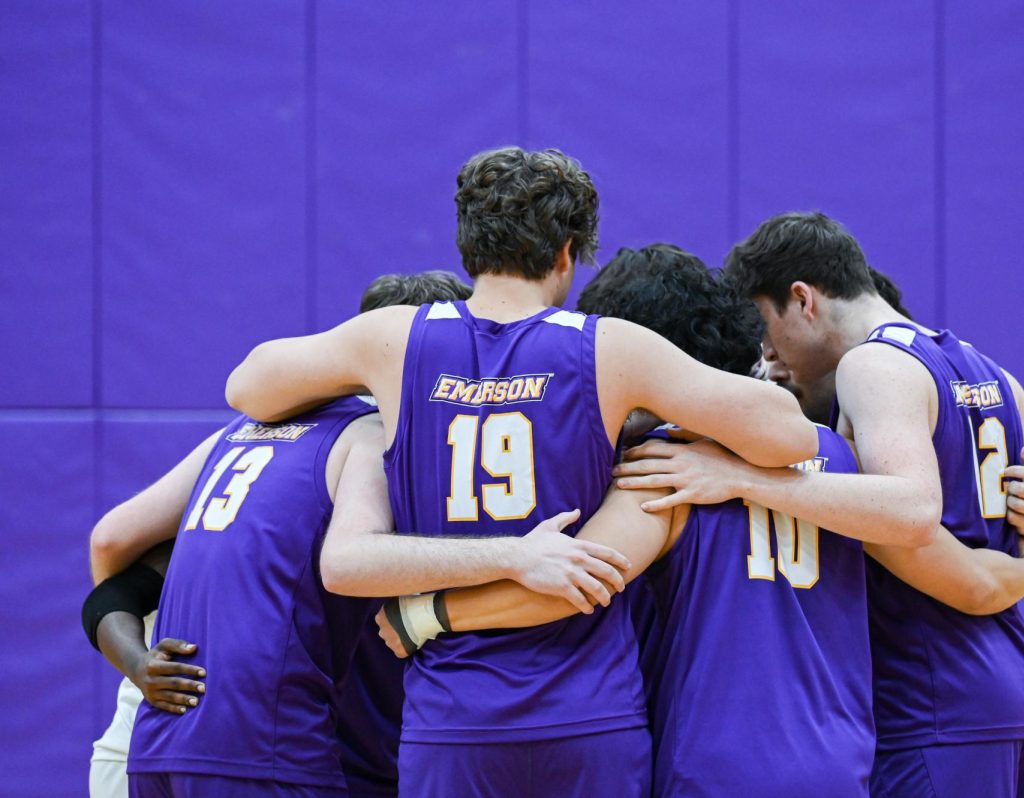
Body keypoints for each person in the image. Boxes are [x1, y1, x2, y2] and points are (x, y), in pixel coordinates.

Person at [226, 147, 817, 797]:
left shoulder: (393, 339)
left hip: (454, 716)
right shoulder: (609, 347)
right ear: (568, 252)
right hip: (588, 716)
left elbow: (249, 387)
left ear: (466, 245)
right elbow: (787, 433)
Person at [379, 244, 1024, 797]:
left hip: (713, 768)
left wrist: (429, 614)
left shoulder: (663, 469)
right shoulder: (843, 460)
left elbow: (575, 578)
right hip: (841, 767)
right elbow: (955, 570)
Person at [615, 213, 1024, 798]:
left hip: (931, 699)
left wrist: (743, 477)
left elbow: (912, 514)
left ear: (802, 300)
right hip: (1016, 692)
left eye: (767, 326)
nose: (768, 352)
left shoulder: (871, 367)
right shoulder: (992, 373)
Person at [84, 272, 623, 797]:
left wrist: (141, 663)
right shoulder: (373, 443)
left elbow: (112, 549)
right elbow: (349, 563)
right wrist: (514, 554)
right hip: (260, 744)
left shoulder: (242, 431)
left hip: (148, 738)